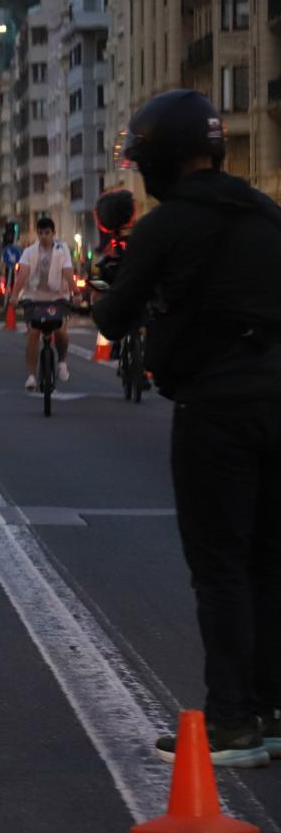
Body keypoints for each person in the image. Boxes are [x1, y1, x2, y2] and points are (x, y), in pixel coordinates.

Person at [92, 89, 281, 768]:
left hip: (217, 410)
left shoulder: (164, 227)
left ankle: (231, 723)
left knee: (221, 566)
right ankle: (269, 708)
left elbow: (113, 320)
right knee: (268, 560)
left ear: (160, 161)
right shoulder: (266, 213)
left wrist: (111, 284)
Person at [9, 216, 75, 390]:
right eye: (41, 233)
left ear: (53, 233)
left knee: (61, 331)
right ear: (37, 234)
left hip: (58, 296)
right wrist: (15, 296)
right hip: (34, 297)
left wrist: (75, 292)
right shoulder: (29, 252)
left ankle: (62, 361)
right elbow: (22, 274)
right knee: (33, 334)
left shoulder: (62, 249)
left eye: (47, 233)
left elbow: (68, 271)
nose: (44, 236)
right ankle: (31, 376)